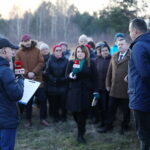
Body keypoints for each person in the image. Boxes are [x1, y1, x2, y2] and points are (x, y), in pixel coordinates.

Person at [66, 45, 99, 144]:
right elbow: (66, 76)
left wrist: (96, 91)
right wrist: (72, 75)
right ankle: (81, 127)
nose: (80, 53)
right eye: (78, 51)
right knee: (75, 113)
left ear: (86, 53)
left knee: (82, 114)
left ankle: (80, 134)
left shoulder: (90, 63)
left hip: (86, 92)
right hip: (74, 92)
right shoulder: (71, 62)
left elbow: (95, 78)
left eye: (82, 52)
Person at [15, 34, 49, 127]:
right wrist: (27, 73)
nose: (27, 42)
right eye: (25, 41)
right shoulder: (19, 53)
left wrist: (34, 72)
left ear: (31, 40)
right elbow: (18, 67)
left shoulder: (37, 51)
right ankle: (28, 120)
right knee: (28, 101)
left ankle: (43, 119)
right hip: (26, 81)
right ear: (22, 42)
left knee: (42, 99)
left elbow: (41, 62)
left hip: (38, 80)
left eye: (28, 40)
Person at [99, 39, 130, 134]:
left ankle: (124, 127)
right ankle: (108, 126)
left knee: (125, 110)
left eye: (122, 44)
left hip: (125, 89)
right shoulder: (114, 56)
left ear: (127, 45)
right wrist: (107, 84)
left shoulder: (132, 56)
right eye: (118, 44)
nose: (120, 46)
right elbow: (109, 71)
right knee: (111, 109)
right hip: (113, 89)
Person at [128, 18, 150, 150]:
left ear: (135, 31)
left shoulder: (138, 46)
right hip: (144, 94)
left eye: (130, 31)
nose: (129, 34)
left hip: (142, 98)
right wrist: (131, 76)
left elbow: (146, 73)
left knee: (144, 136)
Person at [0, 38, 24, 150]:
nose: (13, 52)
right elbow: (17, 94)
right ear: (3, 50)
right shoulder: (5, 71)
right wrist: (20, 80)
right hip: (6, 119)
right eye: (10, 49)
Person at [45, 45, 68, 122]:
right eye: (56, 50)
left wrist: (62, 79)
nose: (58, 52)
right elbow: (47, 72)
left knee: (63, 103)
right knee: (54, 103)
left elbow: (68, 73)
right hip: (53, 85)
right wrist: (54, 79)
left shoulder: (66, 60)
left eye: (60, 50)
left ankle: (64, 117)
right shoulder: (50, 60)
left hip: (63, 85)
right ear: (54, 52)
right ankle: (56, 117)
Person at [94, 41, 111, 127]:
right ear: (100, 52)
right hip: (98, 88)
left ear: (109, 50)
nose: (105, 52)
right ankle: (102, 122)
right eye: (103, 50)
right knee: (99, 106)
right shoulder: (96, 60)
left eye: (106, 50)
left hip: (107, 89)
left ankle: (107, 124)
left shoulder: (112, 60)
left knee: (106, 107)